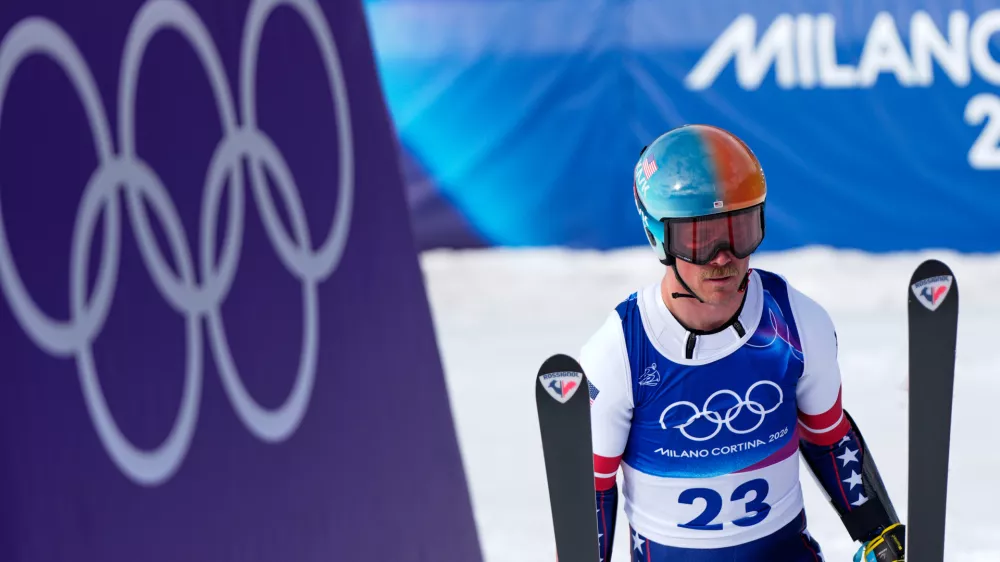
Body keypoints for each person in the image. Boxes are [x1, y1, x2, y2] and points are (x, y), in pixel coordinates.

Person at [580, 124, 905, 561]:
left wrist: (879, 534)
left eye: (741, 230)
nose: (723, 257)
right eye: (700, 238)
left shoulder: (795, 324)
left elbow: (828, 434)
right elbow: (592, 490)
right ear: (658, 236)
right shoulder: (618, 352)